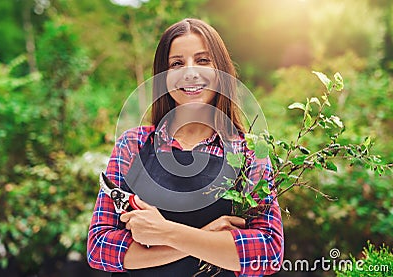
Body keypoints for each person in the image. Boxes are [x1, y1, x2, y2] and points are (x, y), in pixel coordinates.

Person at [87, 18, 283, 276]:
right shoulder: (132, 144)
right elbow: (99, 248)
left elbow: (268, 253)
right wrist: (205, 238)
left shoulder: (249, 152)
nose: (190, 72)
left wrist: (166, 233)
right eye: (177, 64)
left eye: (203, 60)